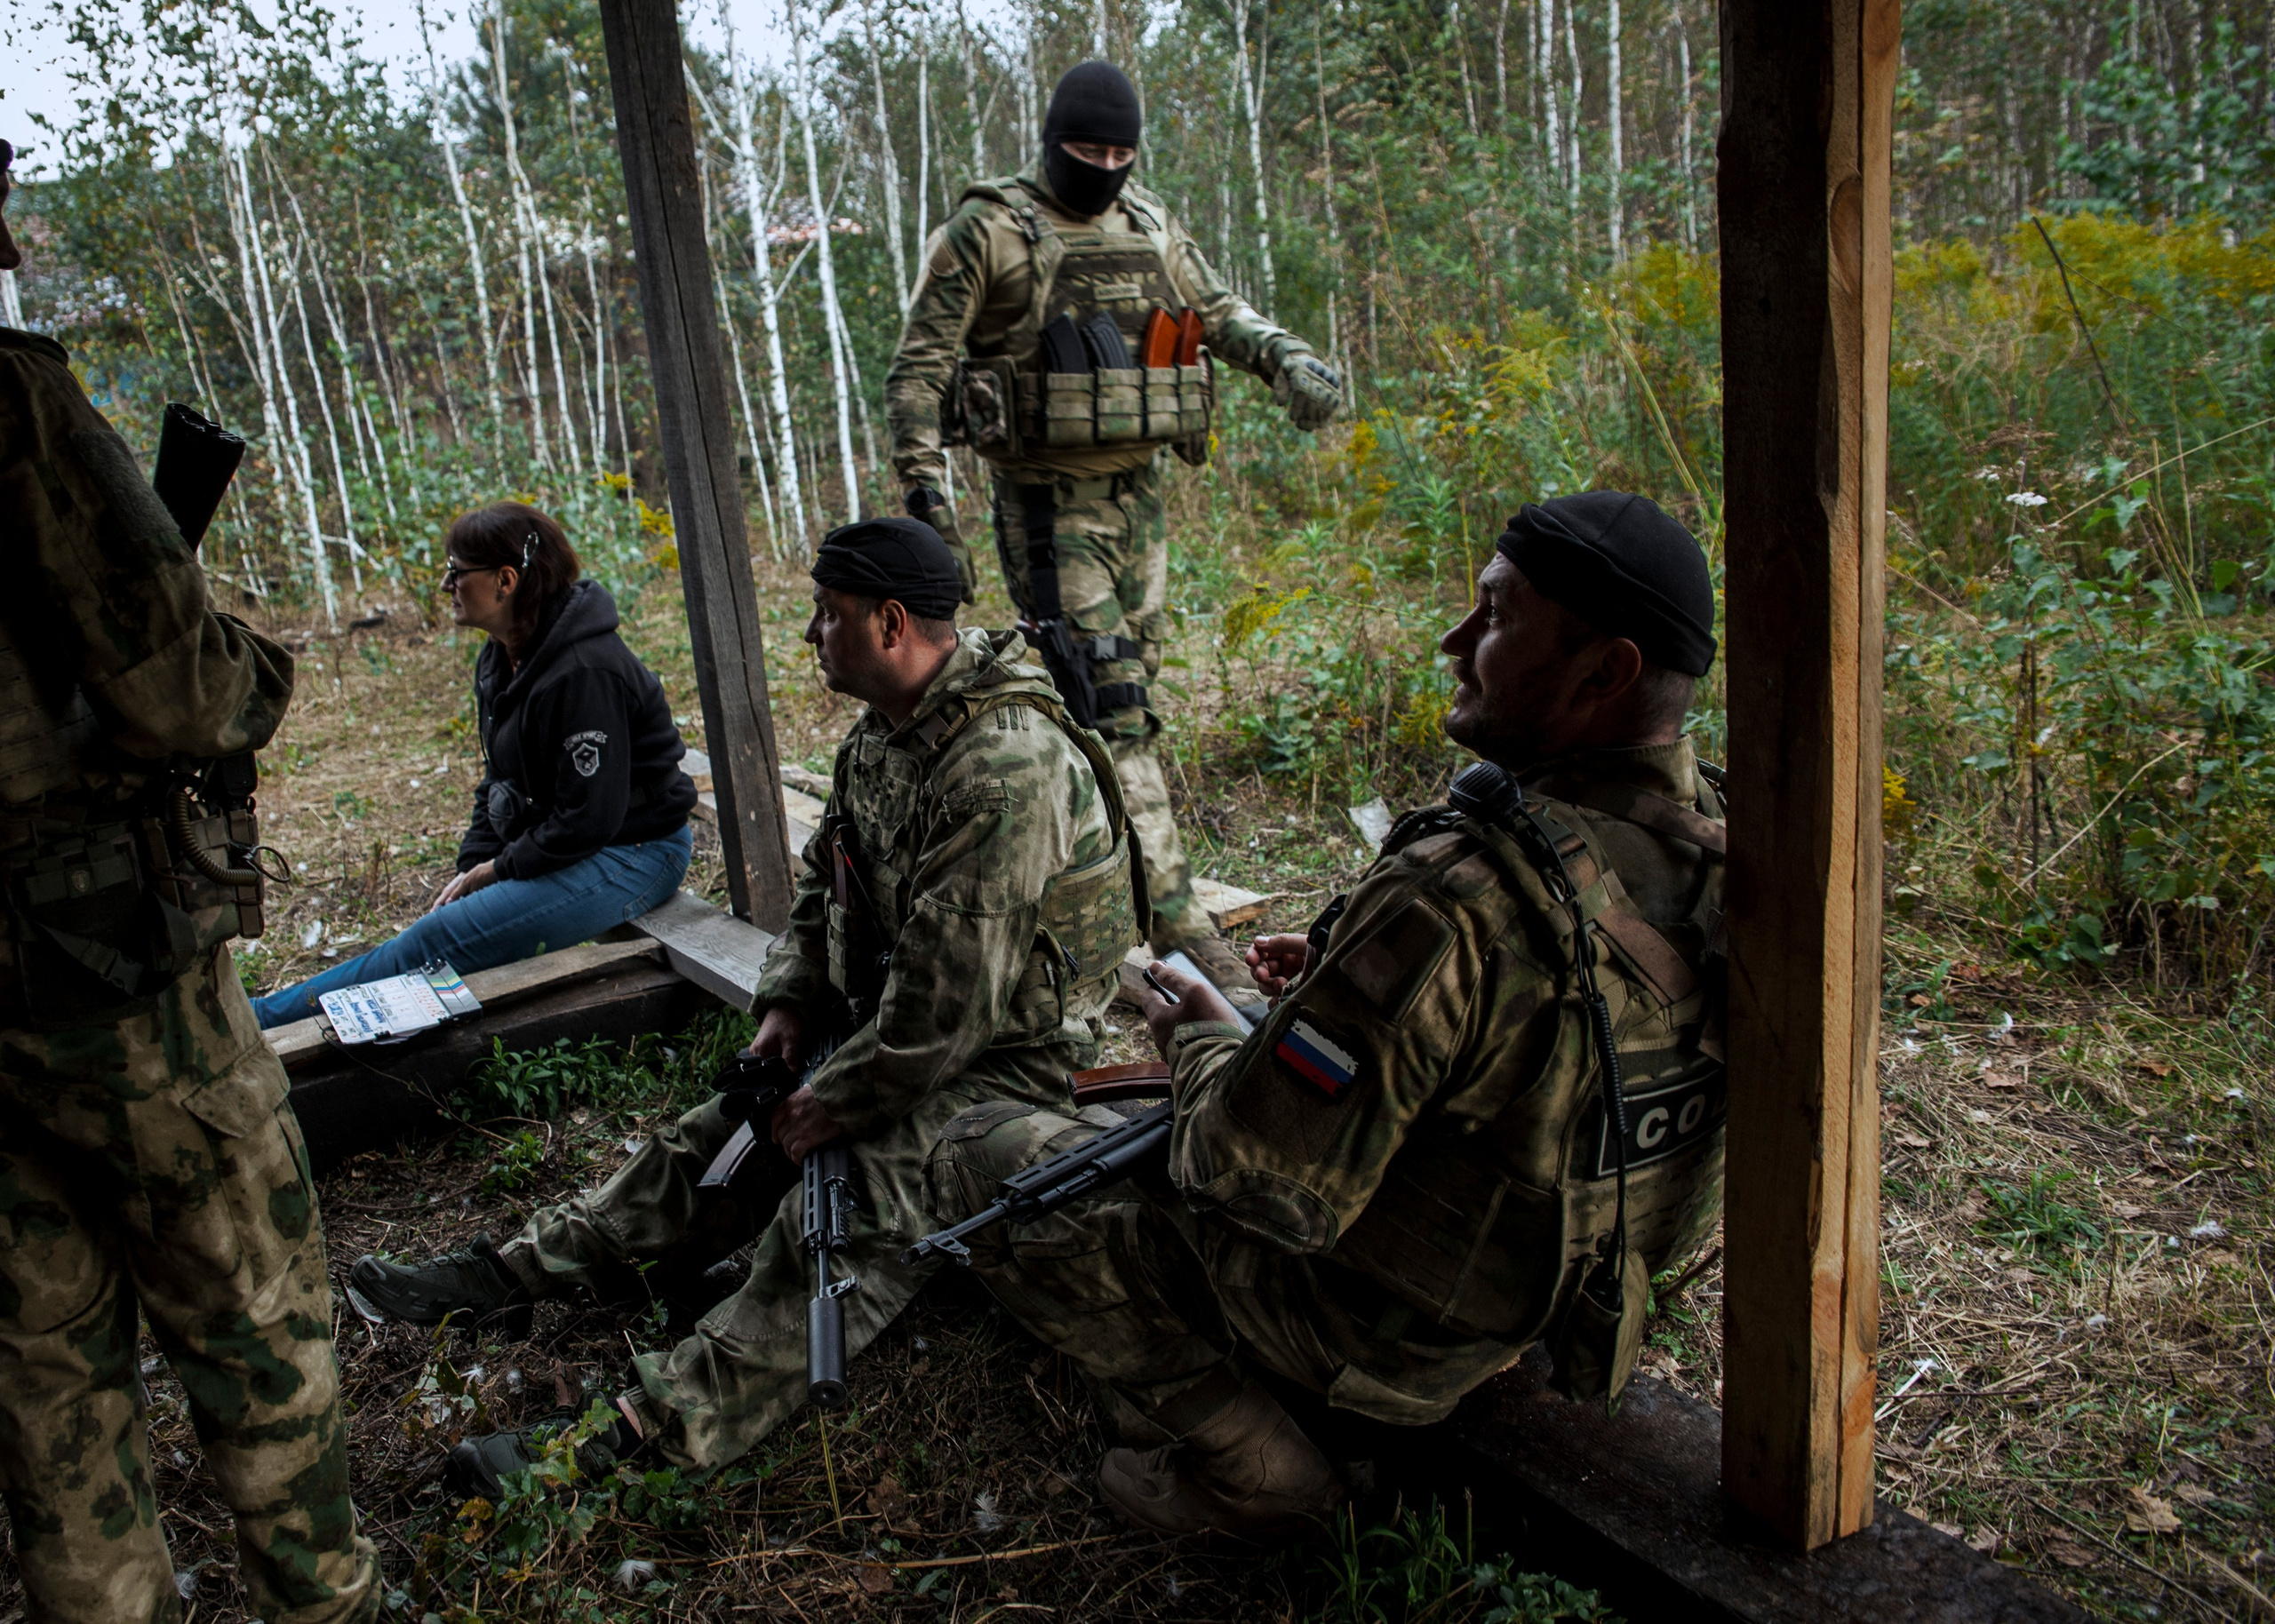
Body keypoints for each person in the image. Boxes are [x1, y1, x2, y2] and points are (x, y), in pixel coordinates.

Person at [924, 491, 1728, 1537]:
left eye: (1494, 616)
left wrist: (1205, 1032)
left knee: (983, 1150)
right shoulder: (1713, 835)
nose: (1455, 640)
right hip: (1562, 1298)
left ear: (1605, 670)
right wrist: (1350, 985)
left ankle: (1252, 1465)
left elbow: (1247, 1180)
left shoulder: (1461, 897)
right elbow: (1570, 1037)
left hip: (1383, 1335)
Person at [345, 518, 1143, 1487]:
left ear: (891, 623)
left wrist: (832, 1105)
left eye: (828, 614)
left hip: (1006, 1062)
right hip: (894, 1032)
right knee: (712, 1143)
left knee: (841, 1217)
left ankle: (642, 1430)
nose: (811, 632)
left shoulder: (1002, 769)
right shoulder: (888, 738)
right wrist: (790, 1008)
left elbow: (947, 1013)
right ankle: (515, 1273)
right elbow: (824, 886)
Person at [0, 138, 381, 1620]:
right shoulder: (15, 399)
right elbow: (175, 688)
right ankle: (320, 1596)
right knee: (252, 1302)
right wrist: (255, 670)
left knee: (41, 1370)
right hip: (98, 964)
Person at [884, 60, 1342, 999]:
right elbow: (919, 370)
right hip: (1050, 507)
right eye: (1086, 149)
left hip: (1141, 501)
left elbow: (1214, 312)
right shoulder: (990, 231)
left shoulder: (1148, 221)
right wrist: (930, 501)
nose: (1103, 165)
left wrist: (1287, 360)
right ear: (1052, 141)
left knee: (1119, 705)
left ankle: (1082, 866)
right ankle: (1183, 931)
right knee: (1114, 706)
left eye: (1120, 151)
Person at [251, 502, 697, 1028]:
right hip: (581, 841)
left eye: (457, 572)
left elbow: (589, 819)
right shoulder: (505, 654)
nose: (446, 585)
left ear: (505, 580)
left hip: (635, 852)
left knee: (433, 942)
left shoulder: (584, 671)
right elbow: (499, 779)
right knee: (443, 927)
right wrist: (474, 862)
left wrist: (500, 869)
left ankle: (260, 1022)